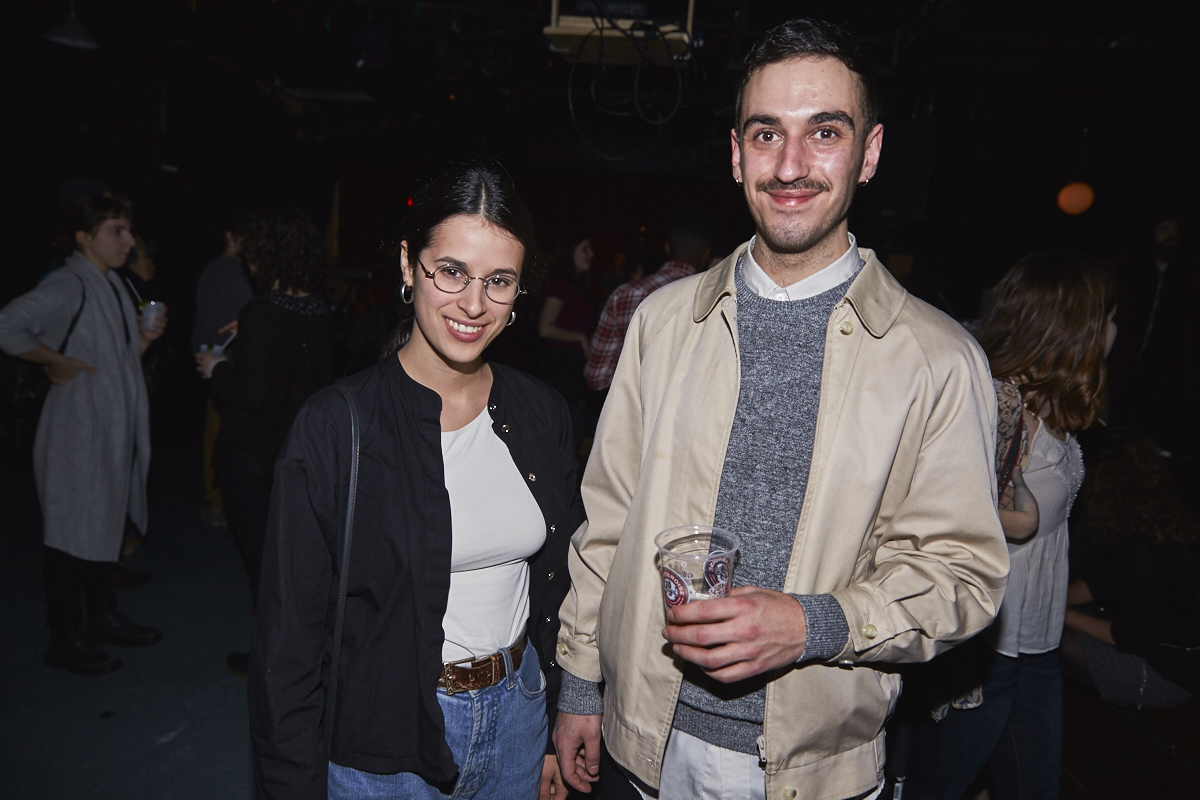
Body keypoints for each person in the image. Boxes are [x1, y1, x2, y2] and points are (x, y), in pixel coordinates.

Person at [552, 18, 1008, 800]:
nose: (790, 165)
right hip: (642, 741)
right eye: (766, 134)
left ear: (868, 153)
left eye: (824, 131)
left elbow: (963, 575)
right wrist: (580, 685)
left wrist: (814, 623)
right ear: (735, 155)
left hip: (811, 771)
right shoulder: (663, 323)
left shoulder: (939, 360)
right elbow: (608, 521)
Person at [249, 160, 583, 800]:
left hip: (519, 713)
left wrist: (549, 728)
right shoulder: (334, 428)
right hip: (386, 739)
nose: (474, 303)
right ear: (409, 266)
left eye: (500, 281)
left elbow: (559, 585)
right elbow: (287, 646)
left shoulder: (541, 414)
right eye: (451, 271)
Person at [904, 252, 1117, 800]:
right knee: (938, 787)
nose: (1116, 330)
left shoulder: (1057, 413)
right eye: (1108, 317)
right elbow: (935, 509)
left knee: (1034, 786)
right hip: (986, 646)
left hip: (1039, 641)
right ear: (1070, 328)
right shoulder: (994, 404)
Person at [0, 194, 166, 675]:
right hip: (77, 428)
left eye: (129, 229)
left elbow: (113, 360)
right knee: (69, 535)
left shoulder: (109, 282)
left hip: (106, 424)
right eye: (117, 230)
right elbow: (6, 325)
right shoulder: (68, 283)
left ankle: (102, 615)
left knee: (102, 523)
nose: (130, 240)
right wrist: (55, 361)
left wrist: (143, 341)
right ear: (83, 236)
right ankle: (65, 637)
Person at [195, 208, 337, 676]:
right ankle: (307, 652)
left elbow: (250, 393)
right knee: (300, 565)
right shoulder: (321, 312)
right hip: (304, 459)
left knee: (264, 565)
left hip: (255, 459)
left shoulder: (260, 313)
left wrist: (216, 369)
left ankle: (272, 661)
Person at [1061, 425, 1199, 708]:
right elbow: (1098, 583)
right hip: (1162, 658)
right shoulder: (1151, 536)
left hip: (1166, 676)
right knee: (1041, 626)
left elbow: (1130, 635)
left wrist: (1057, 614)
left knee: (1046, 638)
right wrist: (1046, 600)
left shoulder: (1144, 553)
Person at [584, 204, 714, 392]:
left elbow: (596, 377)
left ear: (668, 247)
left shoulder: (625, 294)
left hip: (631, 416)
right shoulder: (717, 300)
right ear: (706, 252)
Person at [193, 218, 256, 527]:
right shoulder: (229, 269)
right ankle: (220, 504)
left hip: (211, 358)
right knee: (222, 434)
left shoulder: (213, 269)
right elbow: (251, 317)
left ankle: (217, 502)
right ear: (231, 235)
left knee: (214, 431)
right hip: (223, 363)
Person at [539, 232, 597, 450]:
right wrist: (581, 338)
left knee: (574, 430)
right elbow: (544, 328)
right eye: (585, 249)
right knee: (566, 432)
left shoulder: (579, 286)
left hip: (575, 365)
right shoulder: (560, 284)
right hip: (562, 365)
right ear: (570, 253)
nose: (591, 254)